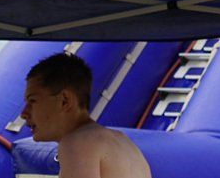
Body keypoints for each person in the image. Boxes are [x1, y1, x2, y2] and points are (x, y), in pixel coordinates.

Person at [21, 53, 151, 178]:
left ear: (64, 101)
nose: (23, 114)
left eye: (32, 101)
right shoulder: (125, 143)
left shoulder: (77, 143)